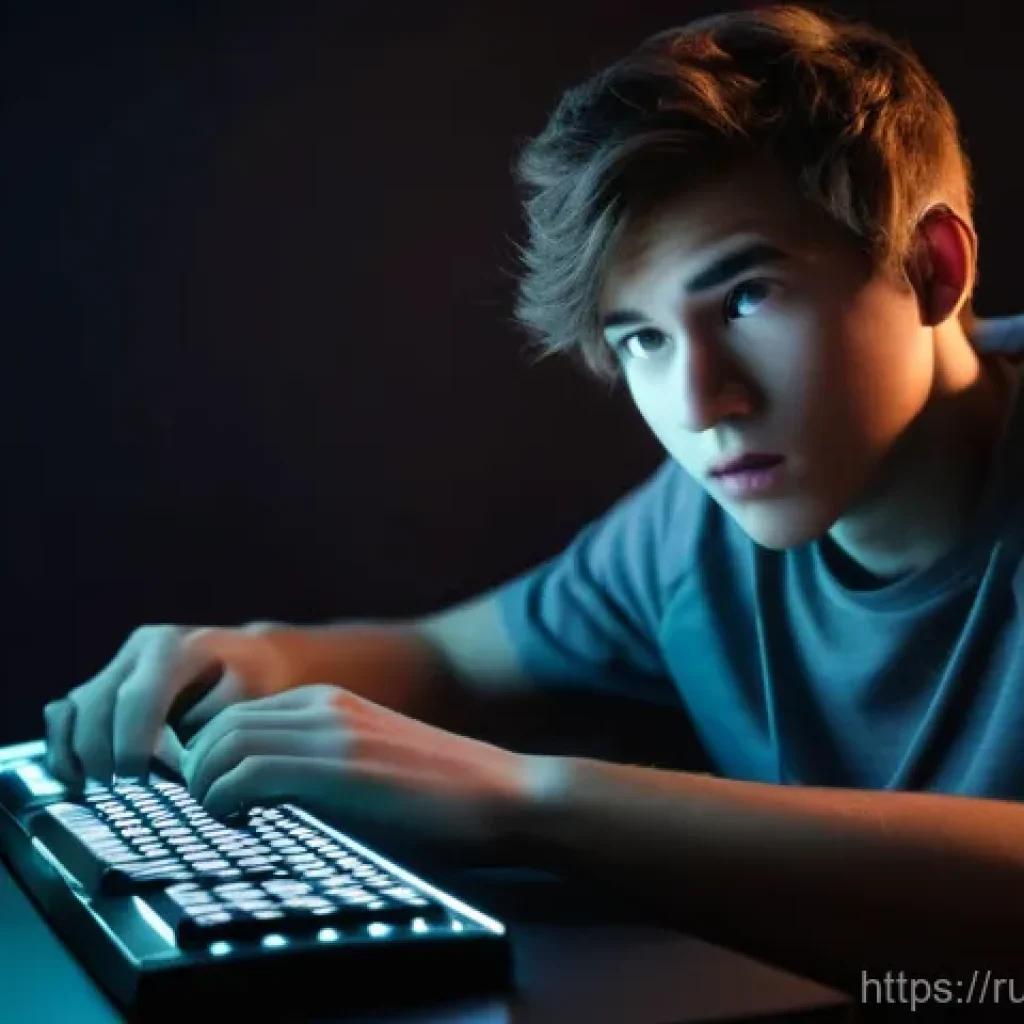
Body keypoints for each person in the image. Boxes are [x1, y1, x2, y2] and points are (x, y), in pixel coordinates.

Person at [42, 4, 1024, 995]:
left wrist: (524, 796)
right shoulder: (698, 523)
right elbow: (451, 653)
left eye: (744, 298)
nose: (698, 404)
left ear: (929, 266)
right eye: (640, 336)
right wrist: (257, 654)